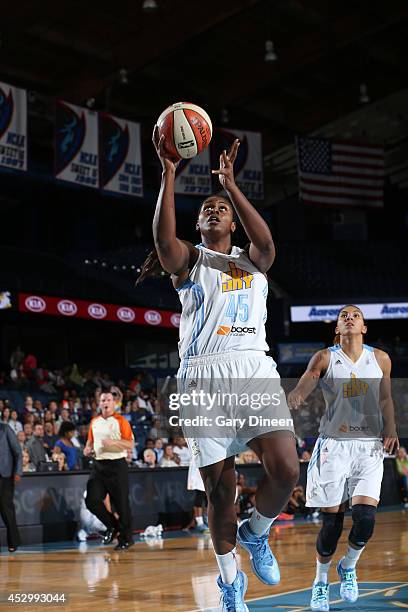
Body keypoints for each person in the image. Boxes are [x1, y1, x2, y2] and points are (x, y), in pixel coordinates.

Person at [137, 129, 298, 610]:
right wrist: (168, 174)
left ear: (231, 220)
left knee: (286, 469)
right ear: (199, 223)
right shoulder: (188, 260)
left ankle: (257, 532)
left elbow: (267, 241)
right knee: (220, 488)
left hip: (251, 367)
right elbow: (164, 240)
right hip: (202, 376)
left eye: (221, 208)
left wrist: (230, 186)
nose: (213, 210)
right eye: (206, 207)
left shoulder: (253, 261)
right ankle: (230, 582)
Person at [288, 304, 399, 612]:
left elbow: (386, 398)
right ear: (337, 327)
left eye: (356, 316)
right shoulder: (325, 357)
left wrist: (391, 428)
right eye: (344, 316)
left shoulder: (380, 359)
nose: (349, 318)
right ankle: (320, 582)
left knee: (365, 520)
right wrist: (297, 395)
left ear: (364, 327)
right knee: (332, 524)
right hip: (333, 446)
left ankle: (348, 567)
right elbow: (308, 380)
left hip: (368, 447)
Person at [84, 392, 134, 550]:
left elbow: (130, 445)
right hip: (98, 465)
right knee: (92, 500)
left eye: (108, 400)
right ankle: (113, 526)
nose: (105, 402)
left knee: (121, 504)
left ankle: (126, 538)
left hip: (117, 465)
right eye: (102, 400)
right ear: (99, 403)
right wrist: (87, 449)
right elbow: (90, 442)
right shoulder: (94, 421)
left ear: (114, 403)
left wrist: (113, 441)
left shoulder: (121, 421)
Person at [0, 418, 22, 551]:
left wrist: (18, 472)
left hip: (5, 475)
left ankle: (13, 542)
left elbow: (18, 452)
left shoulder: (5, 429)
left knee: (6, 509)